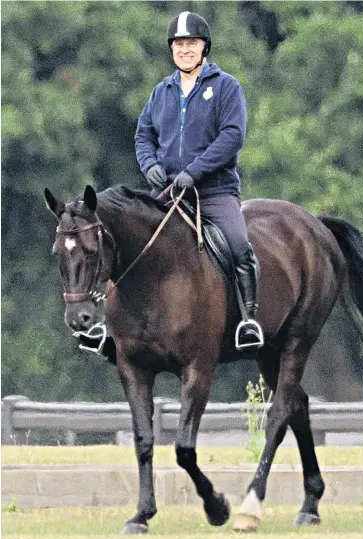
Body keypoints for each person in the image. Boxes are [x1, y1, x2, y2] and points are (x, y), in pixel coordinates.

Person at [134, 11, 263, 352]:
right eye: (179, 44)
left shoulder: (226, 87)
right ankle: (117, 324)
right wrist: (149, 166)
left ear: (204, 47)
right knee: (129, 241)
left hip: (214, 190)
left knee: (238, 244)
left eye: (191, 43)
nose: (185, 50)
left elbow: (232, 136)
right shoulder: (160, 92)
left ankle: (249, 319)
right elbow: (143, 135)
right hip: (168, 190)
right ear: (172, 49)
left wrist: (196, 170)